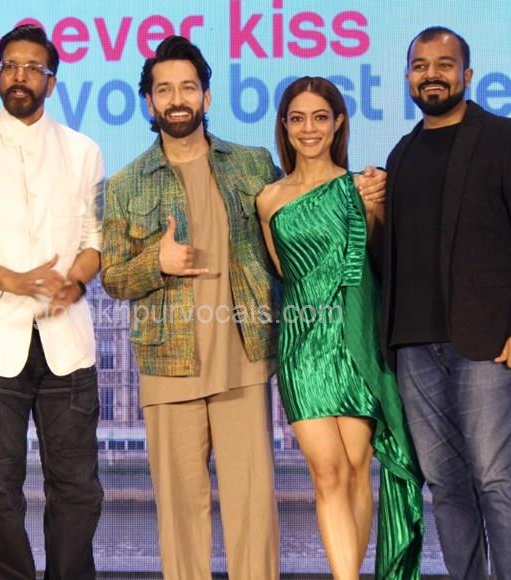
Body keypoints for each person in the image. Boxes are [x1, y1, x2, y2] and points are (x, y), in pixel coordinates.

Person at [101, 36, 387, 580]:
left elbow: (311, 212)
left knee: (254, 514)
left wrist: (368, 194)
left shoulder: (253, 166)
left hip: (244, 363)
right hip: (169, 367)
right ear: (149, 102)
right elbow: (113, 278)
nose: (177, 99)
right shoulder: (123, 185)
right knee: (181, 518)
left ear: (206, 97)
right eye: (165, 90)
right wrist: (155, 261)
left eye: (188, 87)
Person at [381, 27, 511, 580]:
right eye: (420, 65)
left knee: (497, 480)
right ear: (408, 77)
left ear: (467, 74)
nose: (431, 74)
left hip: (488, 342)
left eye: (444, 64)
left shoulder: (505, 138)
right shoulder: (401, 154)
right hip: (413, 344)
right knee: (446, 486)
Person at [0, 24, 104, 580]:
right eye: (10, 66)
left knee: (76, 487)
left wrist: (74, 282)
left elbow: (95, 240)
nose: (19, 77)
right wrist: (15, 279)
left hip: (66, 343)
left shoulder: (83, 151)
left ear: (51, 82)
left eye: (33, 68)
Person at [255, 77, 423, 580]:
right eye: (298, 118)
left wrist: (378, 209)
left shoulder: (363, 188)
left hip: (356, 341)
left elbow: (383, 265)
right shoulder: (268, 199)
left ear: (338, 123)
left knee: (355, 468)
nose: (309, 129)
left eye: (320, 117)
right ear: (285, 126)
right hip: (302, 345)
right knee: (326, 471)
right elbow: (283, 274)